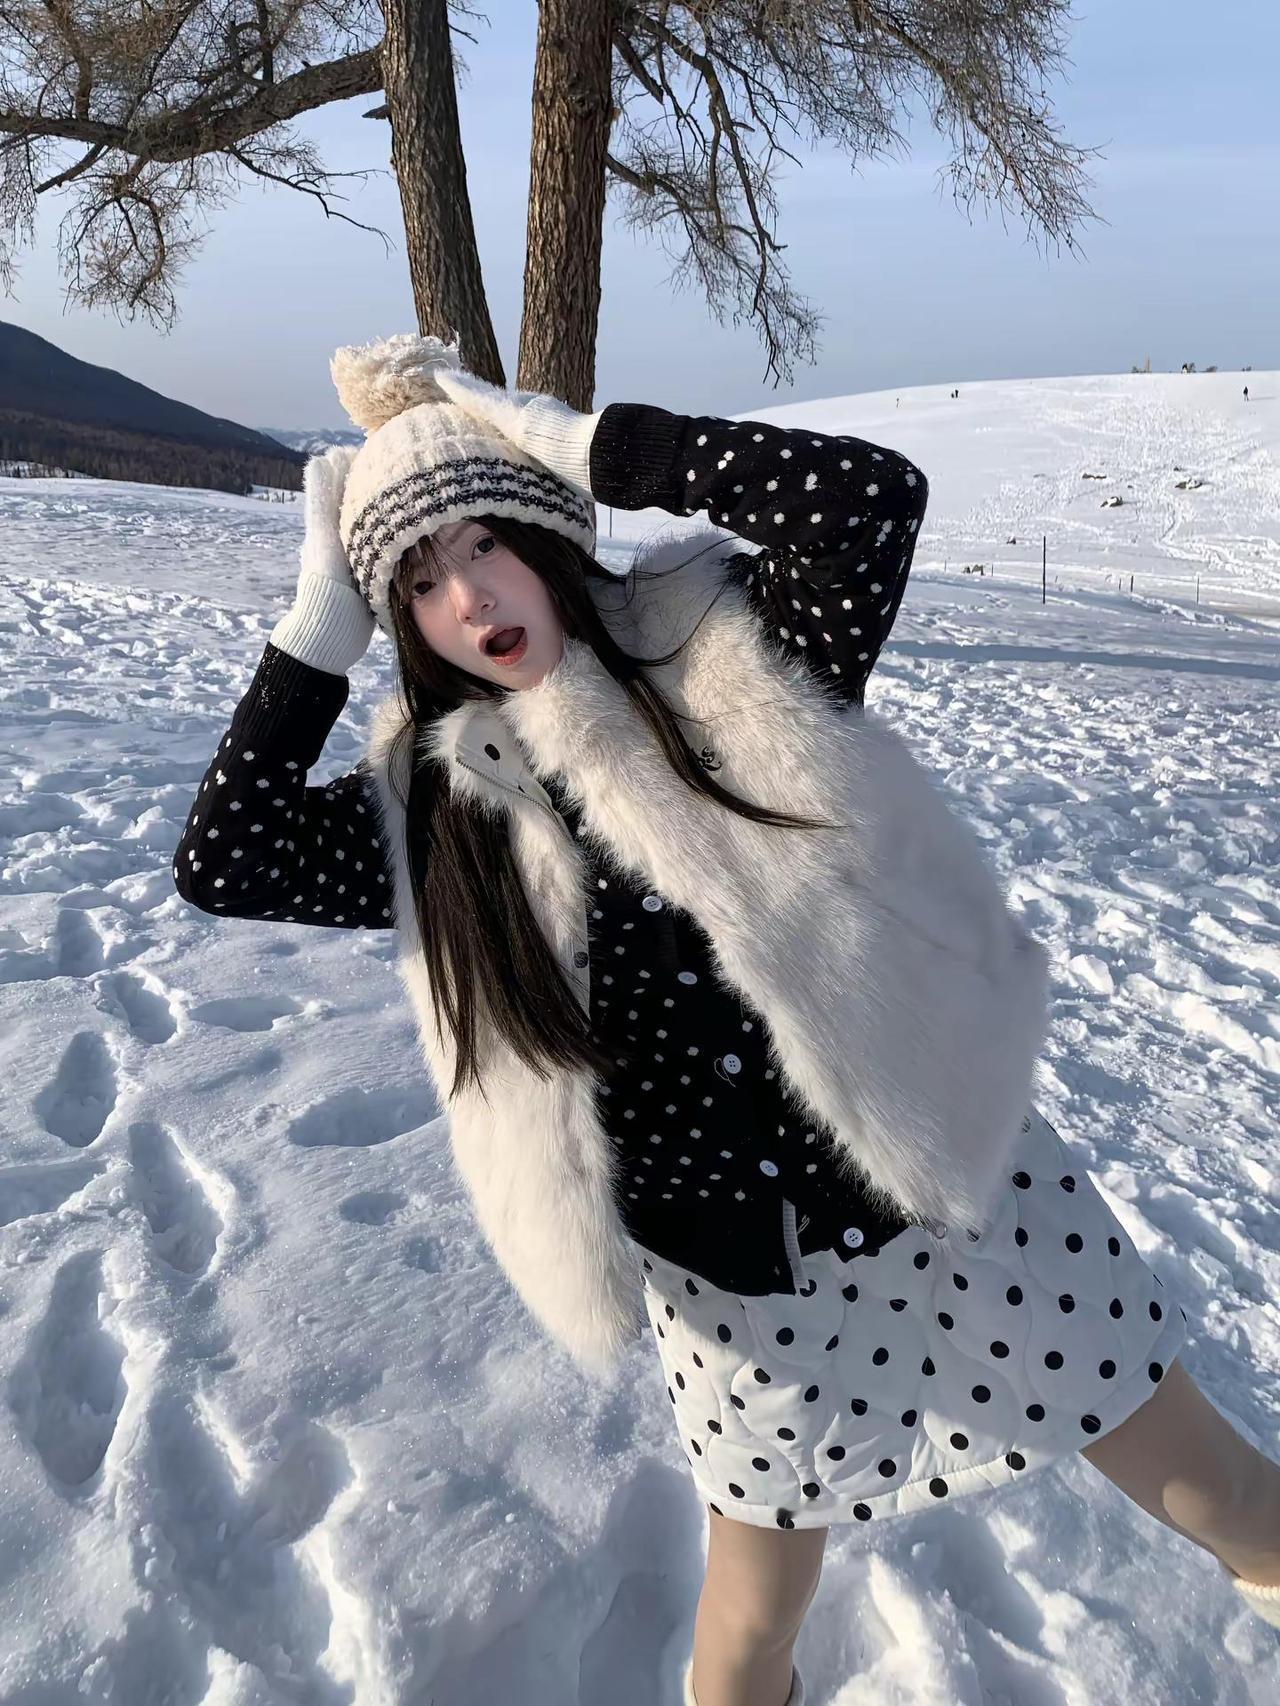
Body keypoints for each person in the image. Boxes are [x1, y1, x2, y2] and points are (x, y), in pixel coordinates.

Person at [174, 335, 1280, 1706]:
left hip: (951, 1181)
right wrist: (313, 634)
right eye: (417, 580)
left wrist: (598, 449)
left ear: (545, 535)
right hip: (732, 1281)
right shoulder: (434, 812)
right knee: (752, 1624)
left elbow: (868, 500)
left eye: (486, 543)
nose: (467, 596)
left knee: (1219, 1489)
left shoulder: (728, 654)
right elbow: (224, 857)